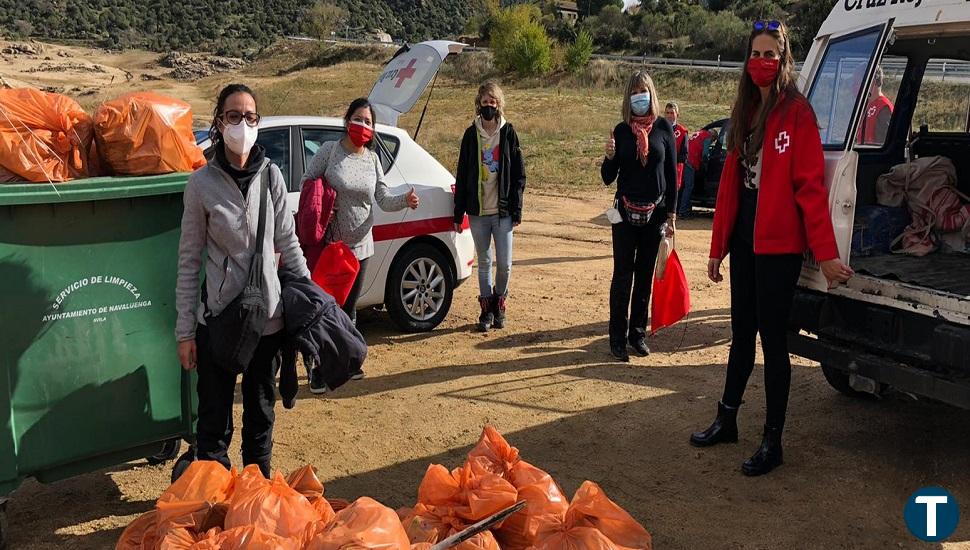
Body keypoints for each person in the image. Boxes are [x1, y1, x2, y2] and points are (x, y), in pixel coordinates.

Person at [689, 20, 854, 476]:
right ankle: (727, 418)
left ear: (783, 60)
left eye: (770, 54)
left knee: (772, 341)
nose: (762, 62)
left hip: (778, 247)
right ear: (747, 61)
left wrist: (825, 253)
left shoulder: (797, 114)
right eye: (755, 54)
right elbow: (728, 187)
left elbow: (809, 189)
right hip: (744, 238)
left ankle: (772, 440)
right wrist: (717, 247)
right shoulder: (744, 110)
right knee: (741, 332)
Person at [175, 84, 310, 478]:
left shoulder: (272, 177)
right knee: (213, 428)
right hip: (217, 322)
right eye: (234, 116)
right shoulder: (201, 184)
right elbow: (188, 261)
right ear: (219, 123)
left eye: (250, 117)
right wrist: (185, 333)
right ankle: (215, 507)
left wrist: (308, 304)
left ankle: (256, 499)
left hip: (267, 322)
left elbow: (289, 243)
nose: (243, 124)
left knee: (260, 423)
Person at [301, 97, 420, 329]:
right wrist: (325, 203)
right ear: (347, 122)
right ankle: (327, 358)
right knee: (327, 307)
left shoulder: (373, 159)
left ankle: (348, 360)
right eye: (357, 119)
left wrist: (405, 200)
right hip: (333, 246)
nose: (362, 125)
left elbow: (383, 199)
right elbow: (308, 182)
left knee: (350, 309)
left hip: (362, 248)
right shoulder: (329, 151)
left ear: (372, 129)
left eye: (367, 122)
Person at [602, 70, 678, 362]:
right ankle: (617, 338)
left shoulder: (663, 129)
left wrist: (671, 215)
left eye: (643, 90)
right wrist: (609, 157)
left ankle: (637, 334)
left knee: (645, 274)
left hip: (655, 213)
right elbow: (608, 178)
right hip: (623, 213)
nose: (639, 97)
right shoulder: (621, 131)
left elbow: (672, 175)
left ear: (652, 94)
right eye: (634, 92)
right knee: (622, 275)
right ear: (628, 97)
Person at [453, 81, 527, 332]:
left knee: (504, 264)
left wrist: (517, 209)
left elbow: (519, 173)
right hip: (478, 211)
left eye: (492, 103)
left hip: (503, 211)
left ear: (499, 105)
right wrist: (458, 210)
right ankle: (486, 310)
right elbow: (462, 174)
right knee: (484, 262)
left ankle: (500, 302)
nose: (488, 107)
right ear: (479, 104)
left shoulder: (508, 133)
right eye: (484, 103)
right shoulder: (470, 135)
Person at [677, 127, 719, 218]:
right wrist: (705, 165)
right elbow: (705, 154)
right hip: (691, 162)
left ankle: (678, 208)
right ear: (713, 137)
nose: (712, 142)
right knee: (689, 186)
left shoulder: (699, 133)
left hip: (684, 159)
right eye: (713, 140)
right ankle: (683, 211)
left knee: (682, 186)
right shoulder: (707, 137)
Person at [857, 65, 894, 146]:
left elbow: (882, 147)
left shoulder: (884, 109)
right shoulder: (865, 106)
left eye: (857, 82)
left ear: (871, 82)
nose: (854, 87)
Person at [665, 102, 689, 190]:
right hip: (660, 172)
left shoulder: (682, 132)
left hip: (674, 171)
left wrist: (671, 159)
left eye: (672, 113)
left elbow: (684, 155)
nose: (669, 116)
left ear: (677, 115)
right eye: (667, 113)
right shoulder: (659, 128)